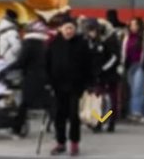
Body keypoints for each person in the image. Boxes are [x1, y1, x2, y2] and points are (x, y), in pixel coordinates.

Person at [45, 11, 93, 157]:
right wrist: (47, 82)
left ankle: (74, 143)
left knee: (73, 116)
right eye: (66, 28)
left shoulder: (82, 43)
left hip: (75, 86)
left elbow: (88, 65)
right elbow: (46, 65)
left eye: (71, 28)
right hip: (57, 86)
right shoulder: (53, 44)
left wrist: (88, 83)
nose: (68, 31)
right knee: (59, 115)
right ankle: (60, 142)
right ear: (61, 29)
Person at [19, 18, 53, 131]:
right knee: (48, 103)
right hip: (44, 77)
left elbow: (22, 61)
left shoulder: (28, 44)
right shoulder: (44, 45)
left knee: (24, 103)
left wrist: (9, 67)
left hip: (30, 77)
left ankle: (18, 126)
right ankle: (56, 124)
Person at [124, 16, 144, 122]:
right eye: (131, 25)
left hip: (141, 65)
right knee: (137, 90)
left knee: (137, 89)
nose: (133, 27)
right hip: (131, 65)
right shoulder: (127, 37)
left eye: (135, 25)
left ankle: (136, 112)